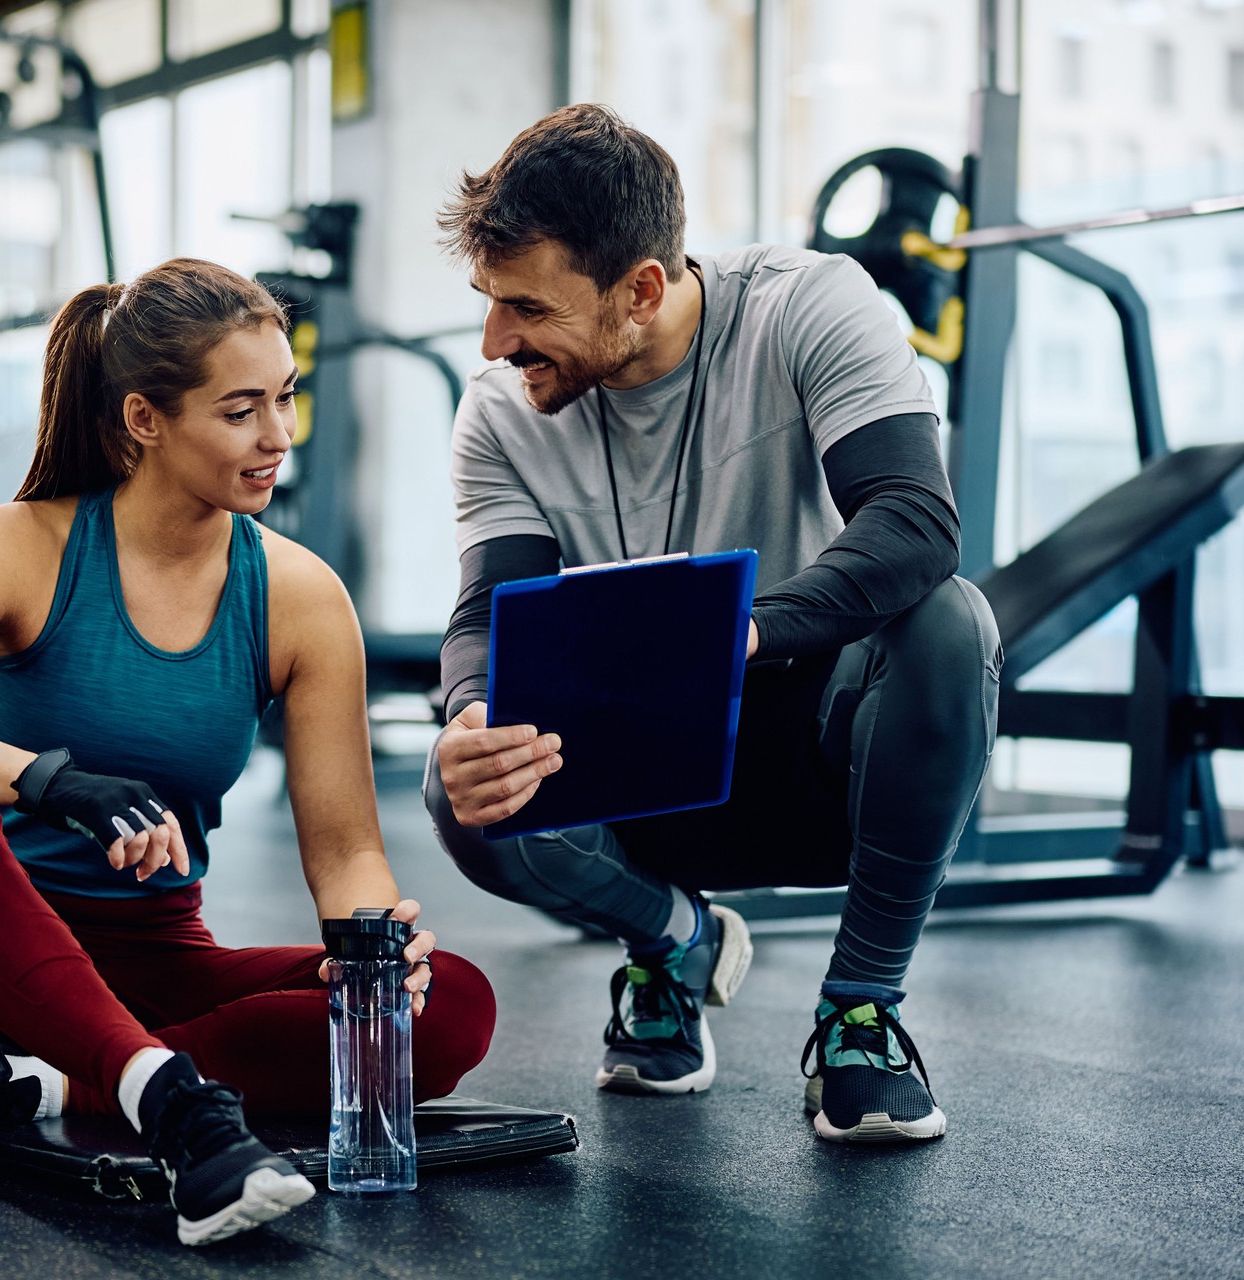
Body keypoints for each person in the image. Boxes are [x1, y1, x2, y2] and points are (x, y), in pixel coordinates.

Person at [0, 258, 497, 1244]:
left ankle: (45, 1079)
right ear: (145, 419)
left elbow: (347, 850)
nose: (278, 436)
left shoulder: (299, 596)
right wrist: (48, 781)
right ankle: (170, 1098)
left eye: (287, 397)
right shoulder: (26, 544)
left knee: (446, 1005)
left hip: (144, 962)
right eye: (241, 410)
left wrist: (373, 955)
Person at [425, 105, 999, 1145]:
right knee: (458, 778)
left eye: (524, 306)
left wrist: (740, 630)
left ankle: (860, 1014)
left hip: (816, 752)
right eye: (488, 301)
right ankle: (672, 938)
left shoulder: (810, 307)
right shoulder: (500, 409)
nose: (495, 341)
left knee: (951, 624)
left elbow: (915, 524)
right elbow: (483, 612)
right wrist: (469, 711)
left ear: (641, 288)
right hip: (631, 772)